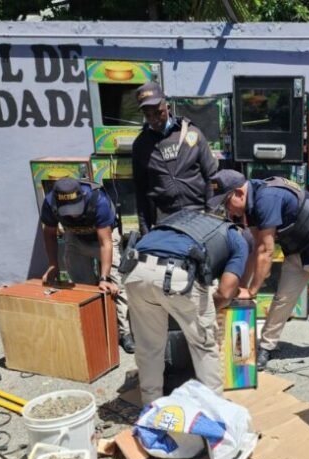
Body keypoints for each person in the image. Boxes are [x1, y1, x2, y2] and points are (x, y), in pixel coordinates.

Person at [211, 170, 309, 369]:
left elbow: (266, 250)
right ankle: (266, 346)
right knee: (283, 299)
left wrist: (253, 291)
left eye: (226, 203)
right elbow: (256, 248)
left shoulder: (266, 199)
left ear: (238, 193)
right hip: (298, 250)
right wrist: (242, 288)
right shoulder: (252, 204)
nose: (227, 210)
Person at [123, 209, 251, 404]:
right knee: (204, 345)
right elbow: (225, 292)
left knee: (149, 347)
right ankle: (214, 409)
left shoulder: (186, 217)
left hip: (134, 269)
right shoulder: (238, 240)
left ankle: (151, 409)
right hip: (175, 273)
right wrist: (206, 314)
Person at [40, 177, 135, 353]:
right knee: (82, 287)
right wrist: (53, 264)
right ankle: (95, 328)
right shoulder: (50, 202)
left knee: (116, 285)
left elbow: (105, 243)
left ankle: (125, 333)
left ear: (82, 196)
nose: (72, 214)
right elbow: (50, 234)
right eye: (67, 211)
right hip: (75, 239)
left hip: (104, 239)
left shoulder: (98, 200)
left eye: (75, 209)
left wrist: (104, 277)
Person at [131, 81, 218, 233]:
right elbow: (141, 191)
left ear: (168, 107)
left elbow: (212, 177)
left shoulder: (192, 134)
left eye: (158, 112)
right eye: (148, 115)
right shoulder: (141, 145)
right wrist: (145, 231)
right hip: (166, 223)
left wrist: (212, 214)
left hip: (199, 216)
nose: (153, 119)